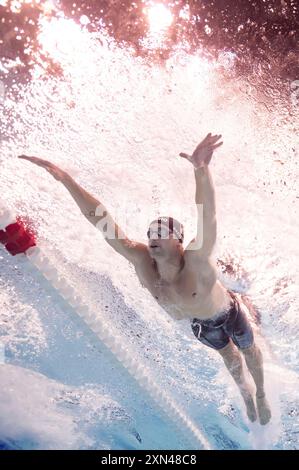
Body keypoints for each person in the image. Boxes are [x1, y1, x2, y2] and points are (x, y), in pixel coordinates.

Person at [18, 132, 271, 425]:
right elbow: (102, 221)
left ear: (180, 242)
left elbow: (208, 216)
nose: (153, 237)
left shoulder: (196, 260)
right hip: (200, 324)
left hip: (227, 311)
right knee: (230, 359)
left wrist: (201, 171)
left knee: (248, 350)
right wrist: (66, 179)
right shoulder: (140, 259)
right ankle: (246, 395)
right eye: (151, 232)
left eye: (162, 233)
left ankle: (262, 392)